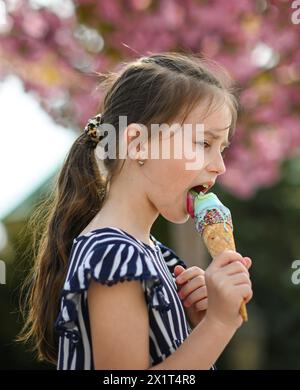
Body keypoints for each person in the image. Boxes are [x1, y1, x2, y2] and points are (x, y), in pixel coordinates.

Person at [19, 52, 252, 370]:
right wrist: (219, 325)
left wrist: (194, 326)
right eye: (203, 144)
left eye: (221, 149)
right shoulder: (115, 257)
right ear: (138, 144)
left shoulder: (157, 257)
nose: (220, 166)